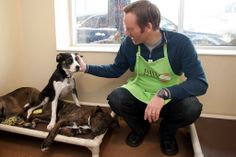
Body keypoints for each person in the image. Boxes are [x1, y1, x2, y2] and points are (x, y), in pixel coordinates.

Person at [77, 0, 208, 155]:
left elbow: (200, 83)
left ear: (148, 27)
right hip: (141, 93)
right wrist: (86, 68)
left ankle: (167, 132)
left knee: (192, 108)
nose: (126, 33)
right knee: (116, 98)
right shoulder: (129, 44)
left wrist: (163, 93)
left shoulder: (180, 44)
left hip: (168, 98)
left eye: (130, 29)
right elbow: (115, 69)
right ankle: (141, 128)